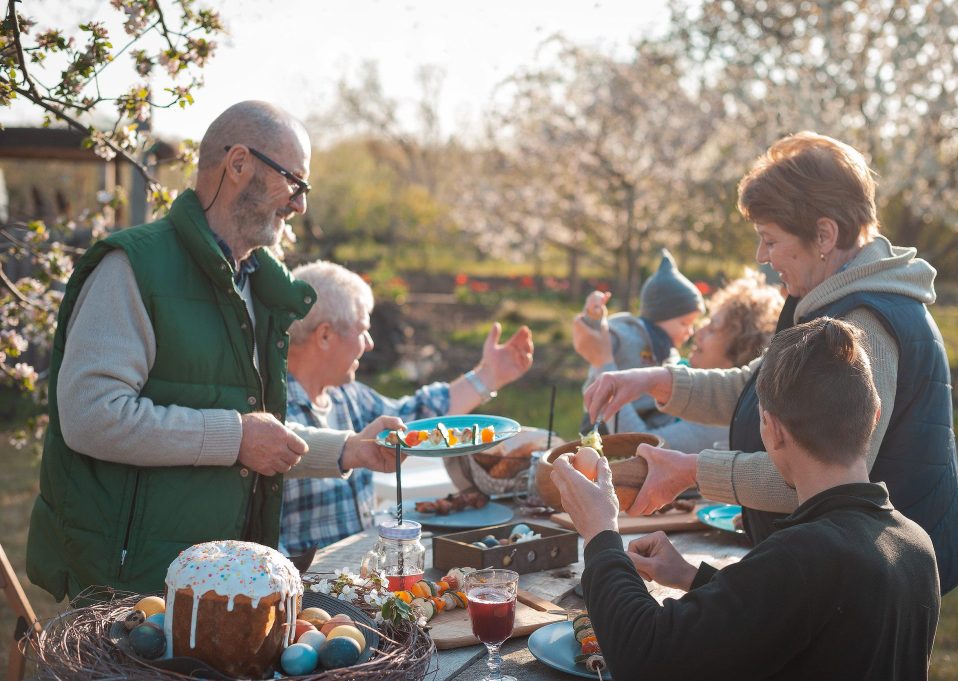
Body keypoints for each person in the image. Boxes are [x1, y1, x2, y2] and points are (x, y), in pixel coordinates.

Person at [26, 101, 401, 600]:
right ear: (239, 164)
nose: (300, 205)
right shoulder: (133, 267)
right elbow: (91, 416)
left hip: (220, 585)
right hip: (133, 592)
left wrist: (349, 450)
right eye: (295, 182)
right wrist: (236, 437)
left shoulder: (256, 285)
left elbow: (251, 429)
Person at [583, 131, 958, 593]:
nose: (760, 257)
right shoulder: (824, 297)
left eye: (769, 239)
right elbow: (757, 388)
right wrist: (657, 380)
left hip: (875, 581)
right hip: (842, 564)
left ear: (824, 235)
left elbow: (820, 476)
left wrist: (691, 471)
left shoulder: (865, 325)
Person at [554, 318, 940, 680]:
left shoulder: (804, 556)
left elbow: (646, 654)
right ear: (873, 416)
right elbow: (797, 616)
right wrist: (694, 578)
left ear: (770, 430)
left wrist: (601, 533)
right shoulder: (916, 547)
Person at [279, 261, 533, 555]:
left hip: (359, 575)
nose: (370, 344)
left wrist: (489, 375)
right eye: (363, 331)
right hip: (309, 586)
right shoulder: (273, 414)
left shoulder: (346, 396)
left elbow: (415, 422)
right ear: (325, 335)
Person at [573, 270, 782, 451]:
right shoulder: (680, 369)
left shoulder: (721, 420)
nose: (697, 332)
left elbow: (639, 449)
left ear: (740, 351)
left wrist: (603, 361)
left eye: (712, 328)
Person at [576, 248, 705, 434]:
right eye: (684, 323)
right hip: (603, 416)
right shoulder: (628, 332)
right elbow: (597, 339)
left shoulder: (670, 353)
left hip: (646, 419)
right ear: (661, 315)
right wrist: (593, 317)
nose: (690, 331)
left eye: (692, 324)